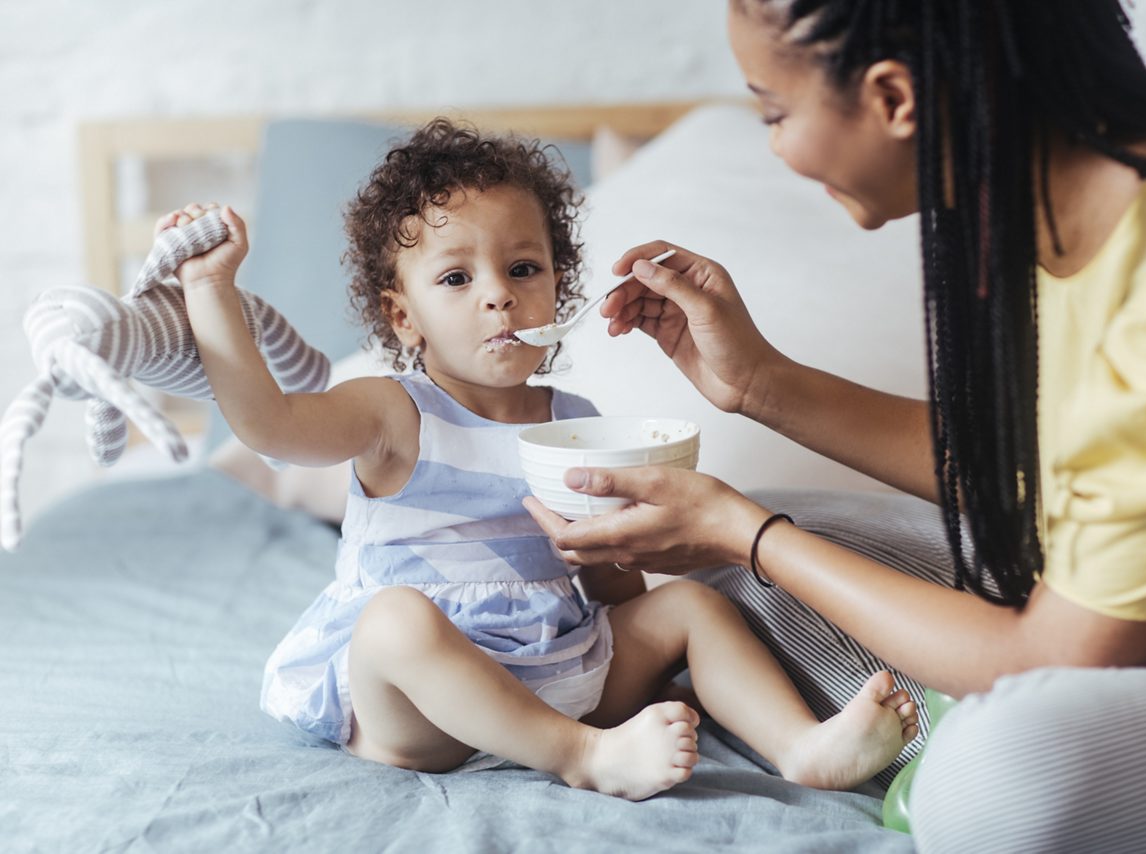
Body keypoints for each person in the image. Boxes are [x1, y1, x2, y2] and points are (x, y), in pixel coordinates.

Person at [523, 0, 1146, 848]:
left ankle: (952, 725)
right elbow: (1038, 473)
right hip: (1128, 611)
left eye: (775, 111)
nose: (775, 144)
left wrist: (748, 533)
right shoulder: (1060, 188)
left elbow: (1062, 657)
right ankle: (929, 697)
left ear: (894, 98)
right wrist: (759, 385)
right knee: (728, 568)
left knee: (989, 784)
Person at [163, 118, 919, 802]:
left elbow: (616, 595)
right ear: (404, 316)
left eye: (523, 269)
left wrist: (599, 550)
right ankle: (581, 757)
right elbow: (271, 425)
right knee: (396, 622)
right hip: (425, 711)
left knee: (691, 605)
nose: (498, 296)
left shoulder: (575, 424)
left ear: (560, 284)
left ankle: (800, 748)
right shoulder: (394, 410)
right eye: (457, 279)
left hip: (560, 668)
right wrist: (209, 289)